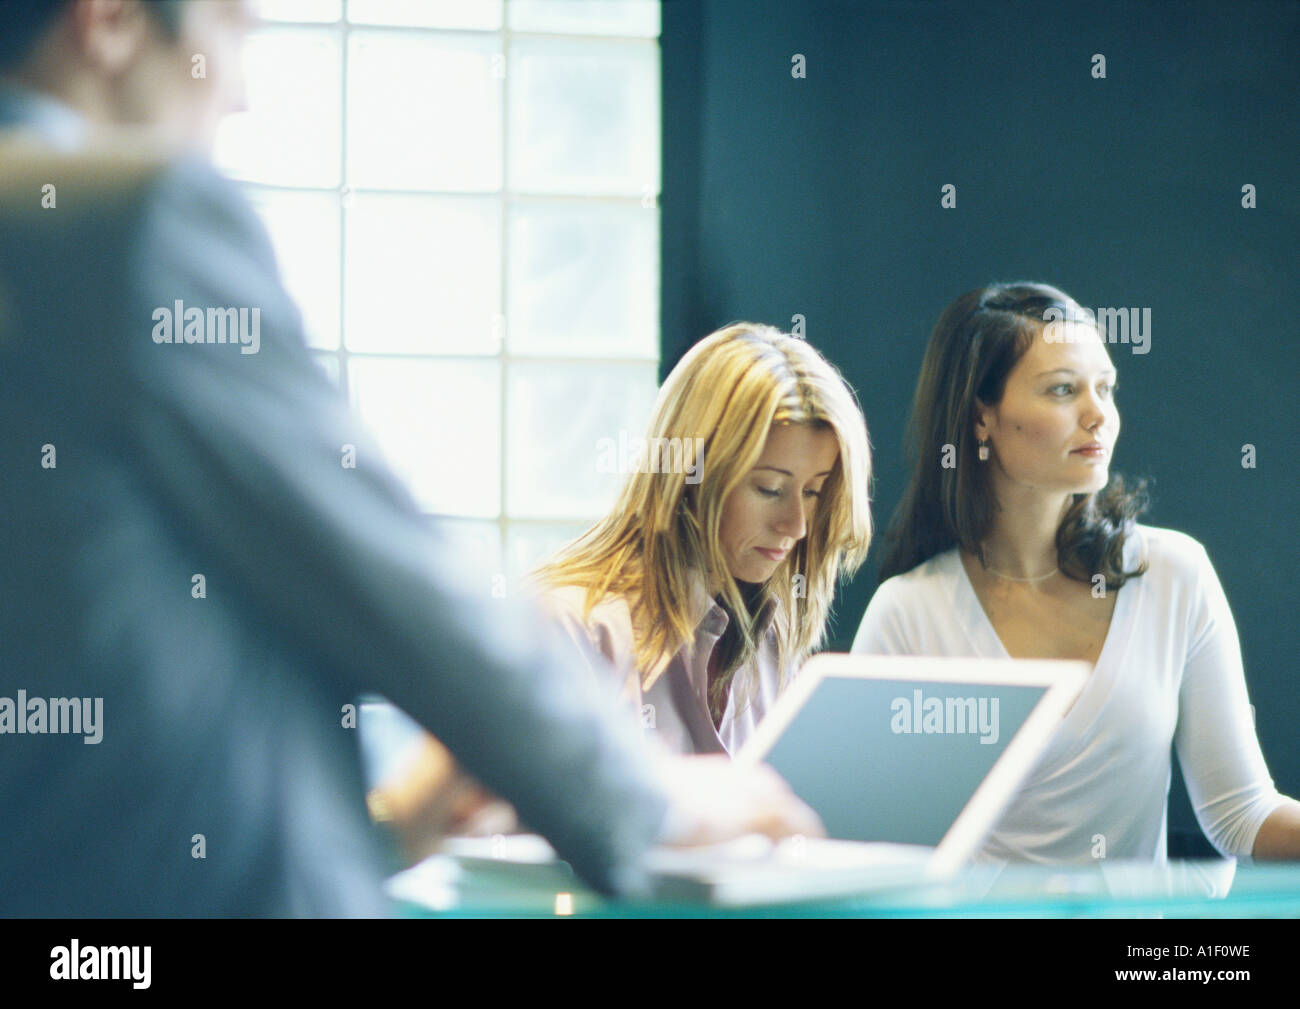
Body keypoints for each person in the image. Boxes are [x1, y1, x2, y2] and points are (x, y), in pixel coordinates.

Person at [0, 0, 821, 916]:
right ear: (109, 21)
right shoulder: (129, 220)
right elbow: (384, 573)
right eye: (230, 30)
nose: (238, 92)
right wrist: (646, 793)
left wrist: (385, 823)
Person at [851, 282, 1300, 864]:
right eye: (1063, 390)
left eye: (1106, 388)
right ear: (981, 416)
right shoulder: (908, 613)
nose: (1099, 416)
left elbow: (1242, 814)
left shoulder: (1172, 575)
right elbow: (855, 845)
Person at [531, 323, 873, 754]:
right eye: (770, 489)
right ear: (690, 474)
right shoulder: (571, 626)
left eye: (813, 491)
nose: (797, 526)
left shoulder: (771, 636)